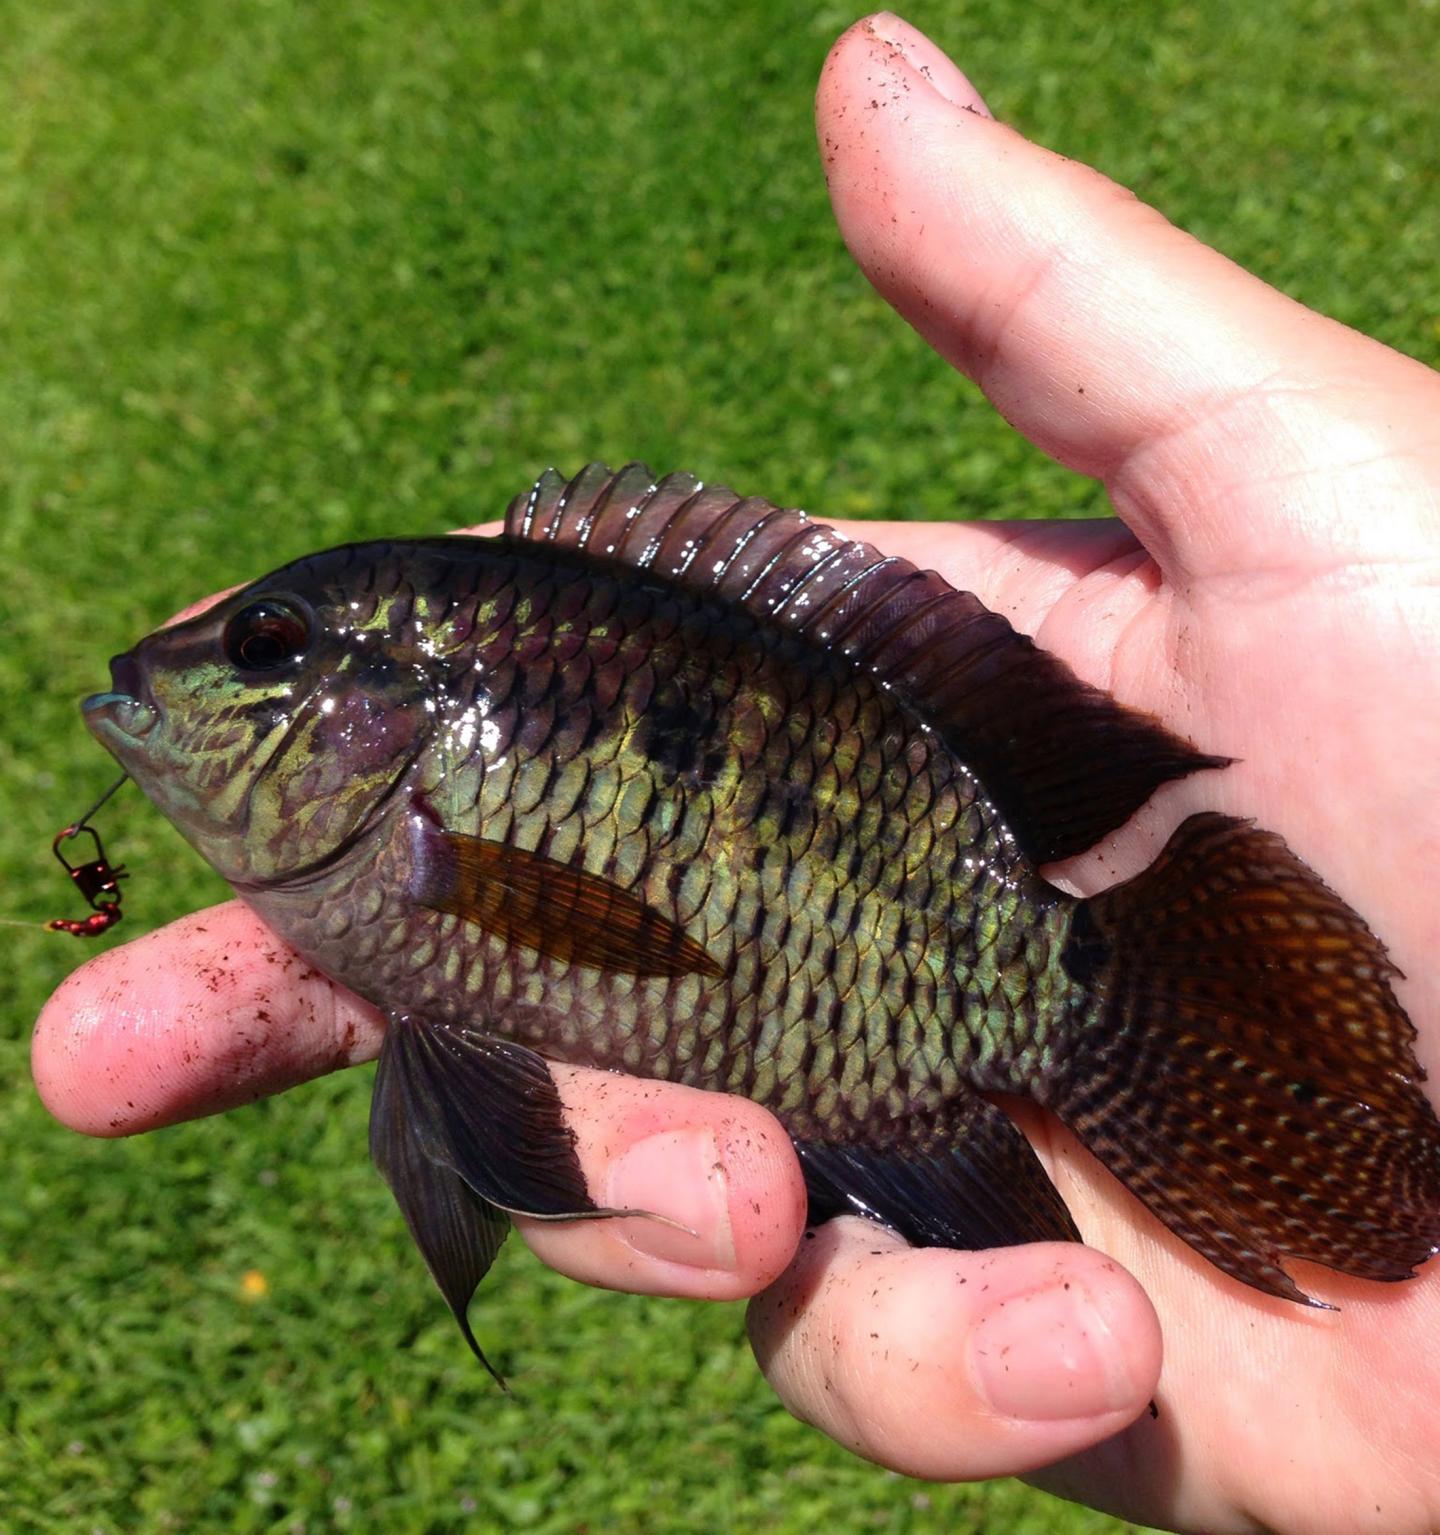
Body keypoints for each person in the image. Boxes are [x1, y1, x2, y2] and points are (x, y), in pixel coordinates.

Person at [32, 13, 1440, 1532]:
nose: (186, 680)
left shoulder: (425, 847)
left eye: (265, 648)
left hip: (965, 939)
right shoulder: (390, 866)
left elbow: (611, 936)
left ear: (388, 703)